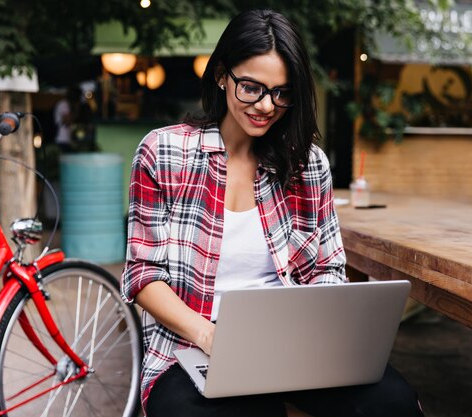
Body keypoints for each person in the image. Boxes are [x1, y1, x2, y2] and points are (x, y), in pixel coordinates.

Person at [121, 9, 424, 417]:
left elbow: (327, 268)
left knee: (394, 403)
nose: (266, 106)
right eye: (252, 87)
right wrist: (210, 336)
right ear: (222, 75)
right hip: (190, 344)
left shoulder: (308, 164)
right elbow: (144, 276)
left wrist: (315, 329)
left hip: (295, 346)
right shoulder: (164, 152)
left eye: (282, 93)